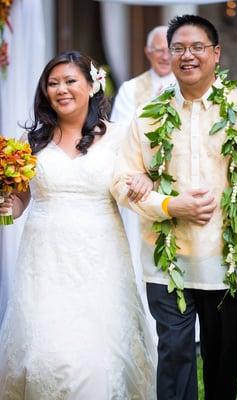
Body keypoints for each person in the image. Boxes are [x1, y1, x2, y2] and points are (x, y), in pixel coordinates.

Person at [111, 14, 237, 400]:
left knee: (223, 363)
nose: (187, 56)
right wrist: (167, 204)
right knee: (175, 358)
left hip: (229, 262)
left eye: (198, 47)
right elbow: (120, 181)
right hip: (167, 264)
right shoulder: (149, 115)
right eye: (178, 48)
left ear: (216, 54)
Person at [0, 51, 156, 399]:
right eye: (53, 83)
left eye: (70, 81)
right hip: (44, 258)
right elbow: (23, 197)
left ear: (91, 84)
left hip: (100, 255)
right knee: (47, 345)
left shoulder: (120, 137)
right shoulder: (31, 143)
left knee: (98, 349)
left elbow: (138, 178)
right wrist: (11, 203)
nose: (61, 89)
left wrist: (144, 180)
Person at [111, 26, 179, 343]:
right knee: (142, 254)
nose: (165, 56)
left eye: (170, 49)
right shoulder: (130, 89)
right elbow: (122, 135)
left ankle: (182, 329)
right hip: (140, 185)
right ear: (148, 53)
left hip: (180, 184)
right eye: (158, 50)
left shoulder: (187, 84)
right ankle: (145, 327)